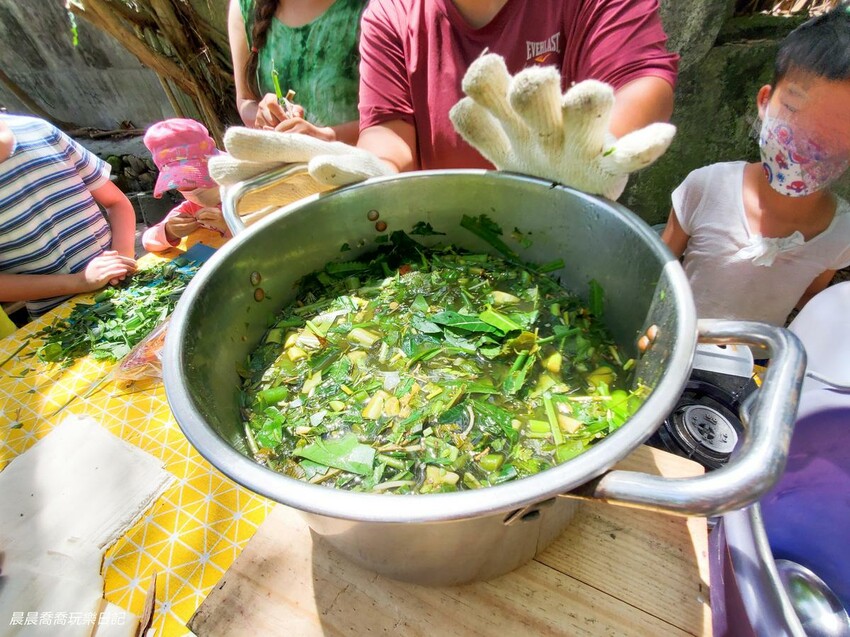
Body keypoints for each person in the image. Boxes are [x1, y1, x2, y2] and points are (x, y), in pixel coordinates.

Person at [660, 6, 850, 326]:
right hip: (676, 337)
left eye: (837, 130)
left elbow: (809, 299)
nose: (808, 142)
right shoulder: (705, 188)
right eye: (794, 110)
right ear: (764, 101)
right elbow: (660, 267)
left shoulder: (841, 234)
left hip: (757, 352)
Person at [356, 0, 679, 173]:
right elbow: (388, 134)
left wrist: (588, 154)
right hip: (438, 236)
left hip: (569, 229)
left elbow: (640, 81)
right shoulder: (392, 12)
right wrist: (369, 170)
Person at [0, 114, 137, 318]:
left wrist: (122, 260)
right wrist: (79, 282)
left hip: (129, 284)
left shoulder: (40, 131)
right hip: (61, 318)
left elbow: (116, 202)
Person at [228, 0, 364, 143]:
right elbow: (245, 100)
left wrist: (324, 136)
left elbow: (381, 124)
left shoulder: (370, 7)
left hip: (353, 155)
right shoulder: (246, 6)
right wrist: (267, 116)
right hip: (279, 154)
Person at [141, 119, 230, 253]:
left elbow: (262, 235)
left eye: (195, 177)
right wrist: (169, 231)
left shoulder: (245, 195)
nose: (191, 189)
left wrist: (229, 225)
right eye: (180, 182)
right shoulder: (191, 208)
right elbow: (148, 241)